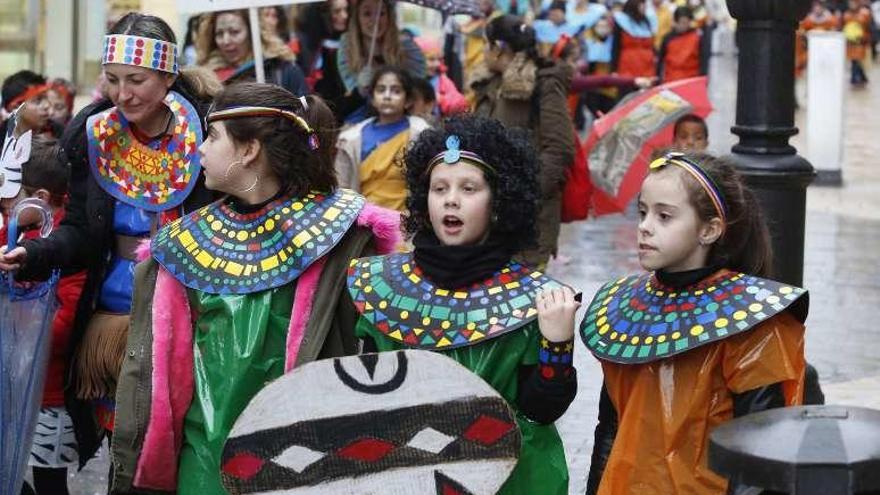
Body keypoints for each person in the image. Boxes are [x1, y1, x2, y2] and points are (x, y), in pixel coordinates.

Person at [112, 82, 400, 494]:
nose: (200, 149)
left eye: (212, 137)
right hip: (204, 462)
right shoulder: (181, 246)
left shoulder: (343, 238)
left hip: (307, 463)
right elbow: (158, 375)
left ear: (249, 150)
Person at [0, 12, 218, 473]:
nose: (123, 94)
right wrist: (34, 253)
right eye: (113, 80)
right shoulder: (95, 133)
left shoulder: (208, 135)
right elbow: (80, 231)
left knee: (169, 447)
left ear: (168, 76)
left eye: (136, 80)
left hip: (184, 317)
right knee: (124, 448)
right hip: (112, 317)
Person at [349, 114, 579, 495]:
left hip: (506, 480)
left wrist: (557, 346)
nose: (451, 199)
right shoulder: (380, 287)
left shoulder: (533, 298)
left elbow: (541, 411)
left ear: (499, 201)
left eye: (469, 188)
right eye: (439, 188)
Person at [582, 152, 808, 494]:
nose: (645, 226)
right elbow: (611, 427)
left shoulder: (752, 323)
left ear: (710, 229)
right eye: (642, 212)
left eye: (665, 216)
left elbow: (760, 455)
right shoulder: (625, 310)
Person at [0, 139, 86, 495]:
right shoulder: (11, 232)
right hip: (12, 386)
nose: (2, 202)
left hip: (49, 395)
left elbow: (65, 321)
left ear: (39, 196)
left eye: (8, 195)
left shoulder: (68, 245)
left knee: (50, 481)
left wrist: (23, 326)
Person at [472, 15, 574, 268]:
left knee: (523, 302)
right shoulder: (489, 84)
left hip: (529, 226)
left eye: (486, 44)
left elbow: (559, 148)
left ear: (499, 48)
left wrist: (524, 196)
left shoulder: (544, 84)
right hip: (486, 219)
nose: (483, 51)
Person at [335, 66, 430, 211]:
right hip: (363, 221)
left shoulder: (421, 133)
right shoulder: (350, 138)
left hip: (406, 221)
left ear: (408, 101)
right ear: (372, 98)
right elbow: (342, 187)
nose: (387, 96)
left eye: (396, 91)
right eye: (381, 90)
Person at [336, 0, 426, 123]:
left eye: (381, 13)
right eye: (367, 13)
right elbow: (341, 106)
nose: (376, 19)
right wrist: (359, 90)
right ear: (357, 18)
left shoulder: (406, 47)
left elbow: (418, 90)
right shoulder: (347, 47)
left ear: (389, 16)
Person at [196, 10, 308, 95]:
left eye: (234, 32)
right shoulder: (206, 80)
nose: (226, 41)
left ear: (252, 32)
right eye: (219, 34)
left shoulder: (283, 71)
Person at [295, 0, 350, 114]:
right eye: (337, 11)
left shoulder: (352, 42)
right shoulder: (306, 47)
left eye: (346, 10)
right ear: (324, 15)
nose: (345, 16)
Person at [413, 36, 468, 116]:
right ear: (417, 60)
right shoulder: (408, 81)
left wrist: (441, 99)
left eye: (439, 59)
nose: (437, 64)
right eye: (431, 59)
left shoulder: (442, 80)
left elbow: (460, 103)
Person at [657, 6, 708, 82]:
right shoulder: (667, 39)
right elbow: (660, 62)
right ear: (675, 22)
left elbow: (703, 61)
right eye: (682, 22)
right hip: (671, 81)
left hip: (691, 80)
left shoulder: (698, 36)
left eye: (687, 22)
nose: (685, 25)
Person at [1, 70, 56, 139]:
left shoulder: (59, 133)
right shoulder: (2, 139)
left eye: (46, 98)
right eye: (38, 101)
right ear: (16, 107)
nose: (47, 105)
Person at [612, 0, 658, 79]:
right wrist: (614, 69)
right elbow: (616, 46)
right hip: (628, 66)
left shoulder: (647, 21)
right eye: (642, 4)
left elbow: (651, 45)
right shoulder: (621, 21)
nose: (644, 7)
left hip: (647, 68)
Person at [843, 0, 872, 85]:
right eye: (850, 2)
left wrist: (867, 40)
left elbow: (870, 28)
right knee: (854, 60)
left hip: (861, 42)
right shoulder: (846, 15)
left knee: (858, 60)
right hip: (850, 42)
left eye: (854, 2)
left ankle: (856, 78)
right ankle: (858, 77)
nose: (852, 4)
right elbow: (842, 27)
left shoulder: (865, 13)